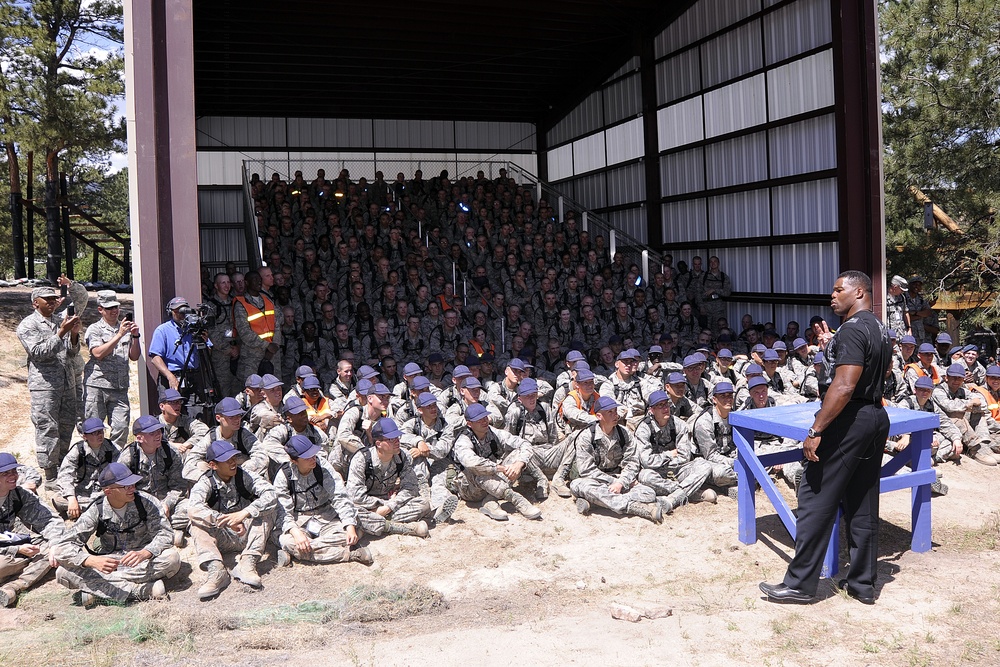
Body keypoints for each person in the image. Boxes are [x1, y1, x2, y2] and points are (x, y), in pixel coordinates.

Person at [760, 270, 891, 605]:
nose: (831, 296)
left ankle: (800, 584)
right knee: (862, 500)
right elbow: (882, 372)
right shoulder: (879, 328)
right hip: (875, 416)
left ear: (859, 291)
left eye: (838, 290)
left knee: (814, 496)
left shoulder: (851, 331)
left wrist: (817, 429)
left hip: (848, 420)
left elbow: (844, 385)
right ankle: (863, 584)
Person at [54, 462, 180, 607]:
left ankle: (100, 588)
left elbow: (165, 534)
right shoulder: (97, 509)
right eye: (126, 486)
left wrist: (146, 553)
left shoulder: (146, 502)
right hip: (110, 563)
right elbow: (63, 546)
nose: (132, 488)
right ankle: (140, 591)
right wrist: (91, 561)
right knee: (62, 572)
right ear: (108, 491)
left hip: (141, 561)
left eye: (133, 484)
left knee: (172, 558)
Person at [16, 280, 85, 492]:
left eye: (54, 299)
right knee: (48, 428)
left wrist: (73, 335)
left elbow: (71, 353)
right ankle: (50, 474)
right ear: (35, 303)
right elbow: (38, 353)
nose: (53, 302)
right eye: (47, 300)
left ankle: (63, 467)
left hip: (67, 382)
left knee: (66, 425)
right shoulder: (28, 325)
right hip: (45, 386)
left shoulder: (59, 320)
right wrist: (61, 332)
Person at [187, 440, 278, 599]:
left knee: (267, 512)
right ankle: (217, 570)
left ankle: (248, 562)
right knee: (195, 523)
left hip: (248, 533)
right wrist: (225, 520)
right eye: (227, 460)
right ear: (213, 465)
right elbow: (194, 508)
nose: (232, 462)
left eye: (234, 458)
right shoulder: (205, 482)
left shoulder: (245, 475)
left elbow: (271, 494)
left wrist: (245, 513)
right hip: (222, 534)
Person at [274, 435, 371, 566]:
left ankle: (299, 552)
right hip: (300, 520)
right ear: (294, 460)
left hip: (327, 517)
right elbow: (283, 512)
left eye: (313, 454)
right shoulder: (284, 476)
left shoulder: (322, 467)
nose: (313, 458)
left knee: (352, 531)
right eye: (307, 457)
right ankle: (350, 554)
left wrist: (349, 526)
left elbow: (340, 496)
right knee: (287, 541)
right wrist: (295, 532)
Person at [569, 396, 663, 524]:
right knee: (578, 485)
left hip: (619, 477)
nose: (615, 415)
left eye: (615, 411)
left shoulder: (624, 433)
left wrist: (622, 482)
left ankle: (596, 502)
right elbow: (587, 470)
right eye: (610, 412)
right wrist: (614, 482)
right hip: (595, 481)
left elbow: (632, 461)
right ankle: (634, 508)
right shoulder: (586, 436)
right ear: (598, 416)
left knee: (649, 493)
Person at [345, 418, 431, 538]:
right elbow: (355, 496)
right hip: (368, 505)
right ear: (378, 443)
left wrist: (389, 506)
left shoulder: (402, 456)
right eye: (391, 439)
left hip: (387, 504)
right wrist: (385, 504)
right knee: (352, 512)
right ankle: (400, 527)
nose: (397, 442)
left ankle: (374, 523)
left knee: (423, 504)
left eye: (397, 438)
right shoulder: (361, 459)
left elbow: (410, 488)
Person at [0, 453, 65, 608]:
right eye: (6, 474)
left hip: (8, 541)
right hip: (7, 547)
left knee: (56, 549)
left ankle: (13, 586)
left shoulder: (19, 494)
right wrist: (16, 549)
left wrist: (55, 544)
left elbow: (49, 519)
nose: (13, 476)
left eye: (14, 472)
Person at [83, 290, 140, 448]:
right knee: (94, 429)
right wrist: (119, 335)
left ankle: (115, 462)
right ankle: (95, 461)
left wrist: (135, 336)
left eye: (116, 307)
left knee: (121, 428)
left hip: (119, 387)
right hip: (97, 386)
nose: (114, 311)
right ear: (100, 309)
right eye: (109, 308)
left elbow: (134, 356)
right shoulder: (95, 329)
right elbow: (98, 353)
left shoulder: (125, 328)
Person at [119, 416, 188, 546]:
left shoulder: (171, 453)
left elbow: (179, 487)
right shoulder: (128, 457)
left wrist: (167, 503)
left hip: (166, 503)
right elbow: (123, 489)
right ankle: (169, 531)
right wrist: (146, 506)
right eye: (152, 433)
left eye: (159, 431)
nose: (158, 435)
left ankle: (155, 529)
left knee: (190, 509)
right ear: (139, 438)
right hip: (141, 504)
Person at [54, 418, 120, 519]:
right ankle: (96, 509)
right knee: (57, 499)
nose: (100, 435)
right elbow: (65, 475)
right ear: (85, 436)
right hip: (83, 494)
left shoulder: (112, 448)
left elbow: (122, 471)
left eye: (101, 431)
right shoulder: (78, 450)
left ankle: (83, 511)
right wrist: (72, 499)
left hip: (106, 492)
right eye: (94, 433)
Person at [148, 296, 210, 394]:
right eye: (178, 310)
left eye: (184, 310)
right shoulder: (162, 330)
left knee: (197, 409)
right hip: (172, 377)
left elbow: (208, 352)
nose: (181, 314)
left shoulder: (195, 328)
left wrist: (205, 342)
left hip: (194, 378)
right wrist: (169, 376)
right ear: (170, 312)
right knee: (171, 408)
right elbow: (155, 358)